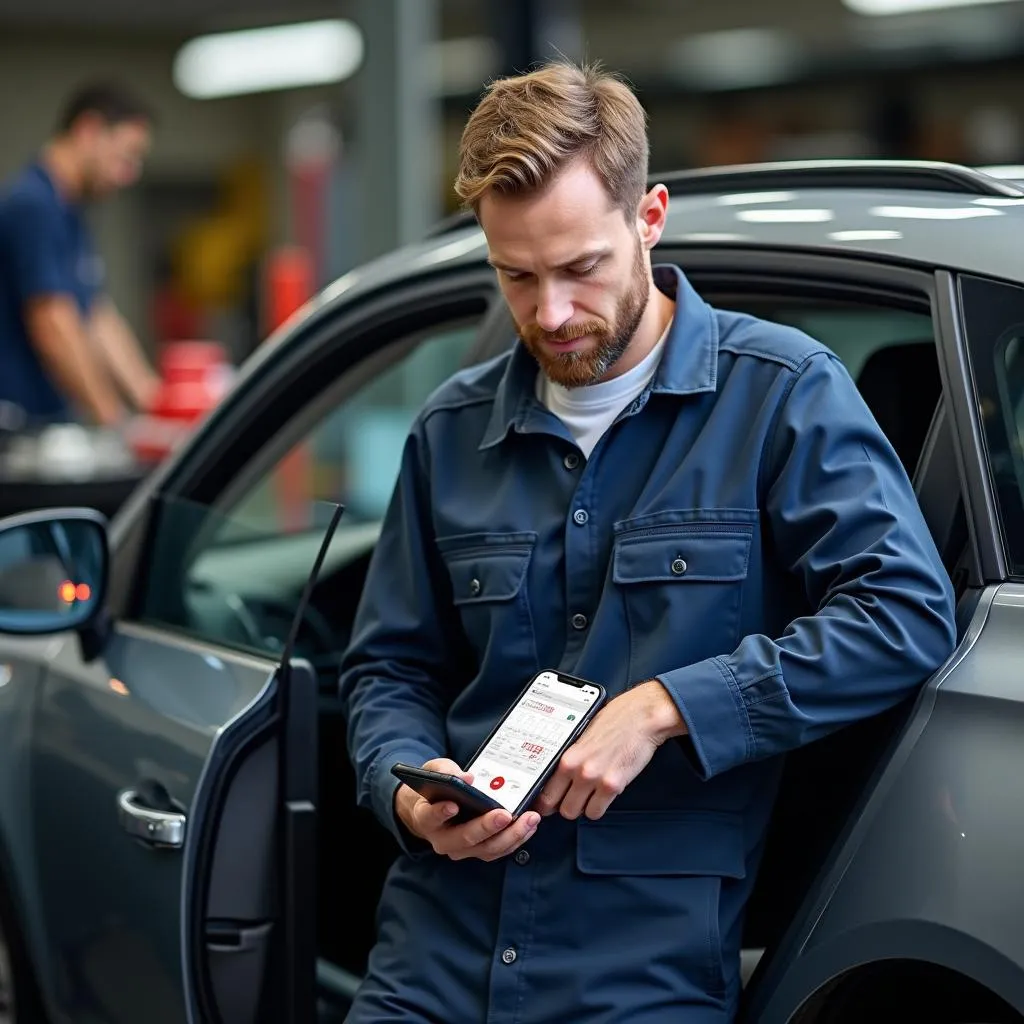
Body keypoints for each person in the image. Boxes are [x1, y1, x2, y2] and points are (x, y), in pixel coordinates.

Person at [338, 61, 958, 1023]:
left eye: (581, 268)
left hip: (638, 968)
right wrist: (407, 790)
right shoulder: (448, 433)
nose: (550, 314)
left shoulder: (781, 394)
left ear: (650, 217)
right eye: (516, 276)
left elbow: (904, 613)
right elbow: (389, 668)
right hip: (435, 954)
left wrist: (669, 707)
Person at [0, 81, 161, 429]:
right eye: (126, 156)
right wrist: (113, 419)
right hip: (17, 427)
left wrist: (155, 404)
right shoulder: (33, 205)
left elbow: (97, 316)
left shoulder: (69, 212)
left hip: (50, 421)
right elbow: (53, 323)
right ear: (89, 131)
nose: (130, 174)